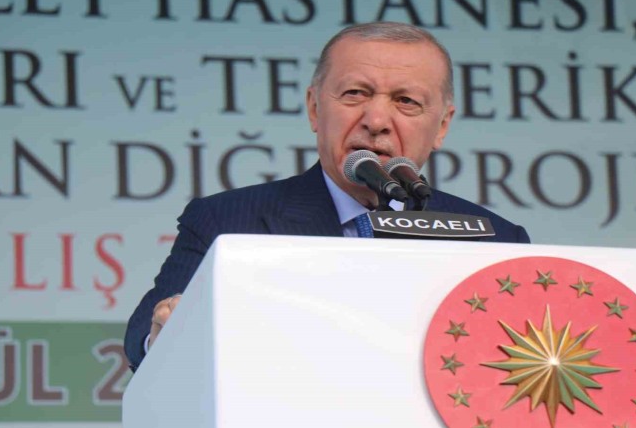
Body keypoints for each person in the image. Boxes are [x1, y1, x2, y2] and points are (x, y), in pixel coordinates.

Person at [124, 22, 530, 371]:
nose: (375, 120)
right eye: (355, 93)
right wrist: (164, 338)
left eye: (406, 101)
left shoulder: (497, 241)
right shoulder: (227, 220)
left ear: (441, 126)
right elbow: (145, 337)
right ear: (315, 109)